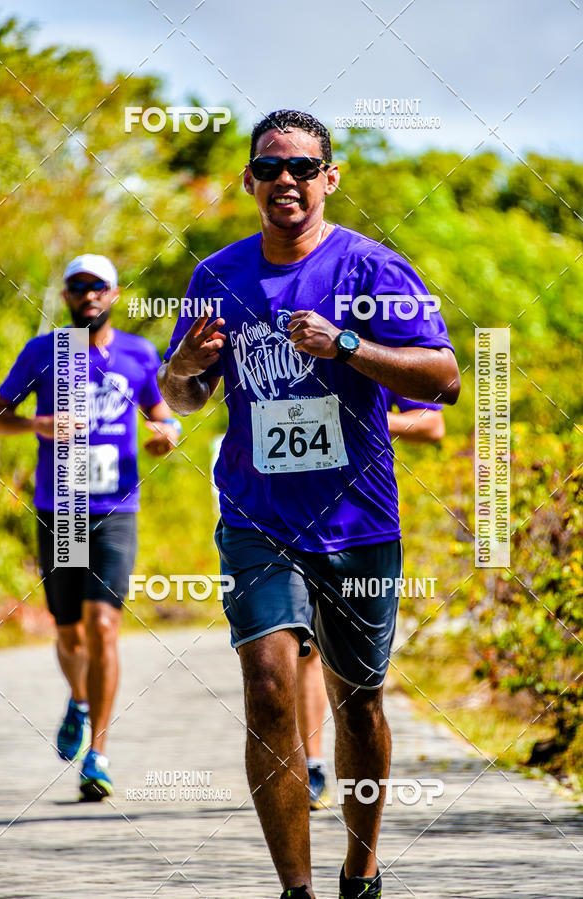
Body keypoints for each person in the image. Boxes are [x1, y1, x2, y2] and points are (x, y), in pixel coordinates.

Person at [158, 109, 460, 899]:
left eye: (301, 168)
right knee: (267, 687)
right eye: (269, 168)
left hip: (357, 520)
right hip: (257, 518)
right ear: (249, 181)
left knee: (357, 705)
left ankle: (359, 873)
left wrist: (348, 346)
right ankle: (295, 891)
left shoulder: (372, 269)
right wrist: (181, 369)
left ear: (329, 178)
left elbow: (444, 380)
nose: (284, 181)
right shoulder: (217, 275)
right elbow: (185, 399)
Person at [0, 254, 180, 801]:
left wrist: (165, 434)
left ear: (115, 294)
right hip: (63, 505)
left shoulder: (139, 354)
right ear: (68, 296)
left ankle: (98, 753)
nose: (88, 295)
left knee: (103, 628)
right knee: (70, 630)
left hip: (117, 507)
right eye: (78, 287)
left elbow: (162, 414)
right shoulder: (46, 352)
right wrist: (38, 423)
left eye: (98, 287)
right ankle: (77, 698)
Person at [299, 391, 445, 811]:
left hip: (359, 524)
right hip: (285, 521)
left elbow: (432, 424)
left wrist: (358, 419)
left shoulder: (370, 334)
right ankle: (313, 765)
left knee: (357, 689)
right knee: (303, 651)